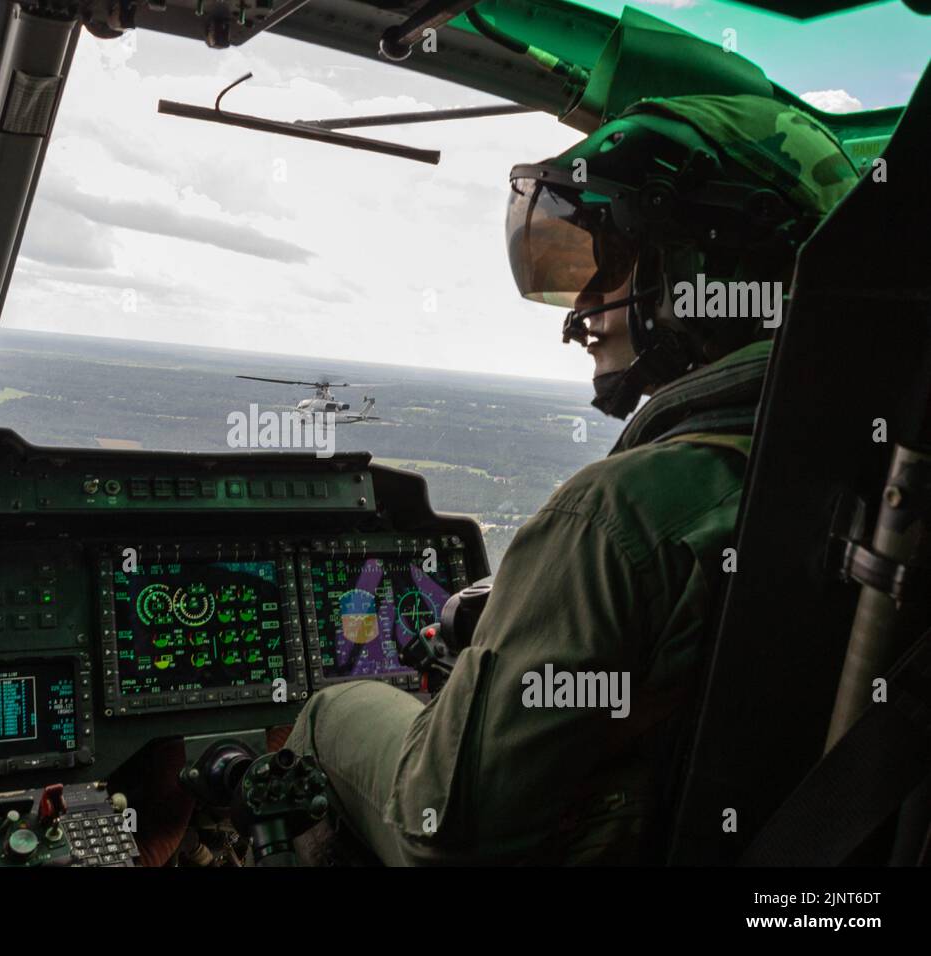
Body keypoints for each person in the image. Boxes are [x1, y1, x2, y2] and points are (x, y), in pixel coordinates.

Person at [285, 93, 859, 865]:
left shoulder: (615, 518)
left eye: (608, 265)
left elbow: (448, 835)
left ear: (706, 267)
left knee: (332, 712)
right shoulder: (871, 474)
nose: (582, 309)